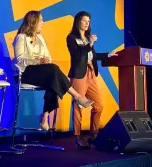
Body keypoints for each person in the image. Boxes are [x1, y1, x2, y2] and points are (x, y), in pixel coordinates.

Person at [12, 10, 94, 131]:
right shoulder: (21, 37)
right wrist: (37, 61)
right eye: (41, 20)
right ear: (33, 21)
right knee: (54, 72)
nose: (43, 23)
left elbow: (48, 57)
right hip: (25, 73)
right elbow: (19, 60)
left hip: (42, 72)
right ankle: (77, 97)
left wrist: (45, 60)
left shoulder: (40, 38)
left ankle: (45, 116)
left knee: (53, 78)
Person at [66, 11, 118, 148]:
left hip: (91, 73)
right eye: (84, 20)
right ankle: (78, 136)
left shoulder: (88, 38)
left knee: (99, 104)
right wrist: (89, 44)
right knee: (78, 105)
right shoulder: (71, 38)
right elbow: (77, 55)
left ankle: (93, 133)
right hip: (79, 74)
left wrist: (108, 55)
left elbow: (92, 56)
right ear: (78, 21)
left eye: (88, 21)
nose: (87, 23)